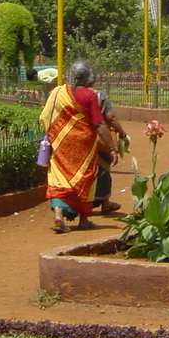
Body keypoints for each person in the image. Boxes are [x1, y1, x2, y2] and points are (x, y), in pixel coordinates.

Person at [40, 60, 116, 233]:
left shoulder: (57, 92)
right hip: (84, 145)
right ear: (88, 78)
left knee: (59, 177)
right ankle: (83, 220)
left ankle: (58, 214)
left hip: (61, 142)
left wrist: (54, 133)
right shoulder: (89, 96)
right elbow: (99, 124)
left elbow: (45, 116)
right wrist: (111, 147)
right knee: (85, 178)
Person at [92, 89, 128, 215]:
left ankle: (82, 202)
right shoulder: (99, 96)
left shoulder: (71, 94)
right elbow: (110, 117)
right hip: (99, 138)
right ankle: (105, 203)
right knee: (103, 167)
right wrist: (122, 134)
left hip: (78, 138)